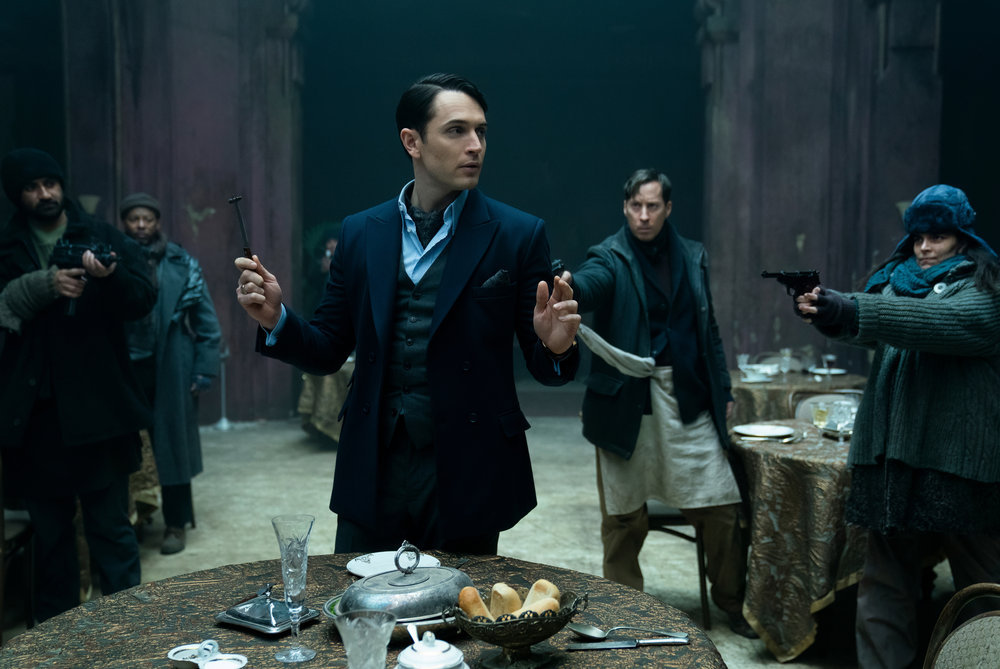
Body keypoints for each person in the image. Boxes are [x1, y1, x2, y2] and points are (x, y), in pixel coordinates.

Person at [234, 73, 581, 555]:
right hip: (374, 461)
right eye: (456, 130)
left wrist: (556, 347)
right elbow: (329, 349)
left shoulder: (517, 234)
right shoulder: (361, 232)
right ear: (412, 142)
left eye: (481, 131)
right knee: (359, 593)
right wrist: (276, 319)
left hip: (468, 464)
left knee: (459, 599)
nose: (475, 145)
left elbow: (546, 367)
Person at [795, 184, 1000, 668]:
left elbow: (932, 321)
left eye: (938, 237)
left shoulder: (985, 288)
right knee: (884, 583)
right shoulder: (896, 281)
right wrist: (830, 314)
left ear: (963, 238)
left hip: (958, 463)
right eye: (917, 237)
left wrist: (853, 307)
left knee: (981, 590)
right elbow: (881, 325)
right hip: (894, 457)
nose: (924, 247)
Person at [563, 168, 756, 637]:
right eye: (636, 206)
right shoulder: (610, 254)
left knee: (722, 507)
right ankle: (624, 609)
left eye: (653, 206)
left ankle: (730, 601)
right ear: (625, 207)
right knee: (623, 517)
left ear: (668, 208)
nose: (644, 215)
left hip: (686, 395)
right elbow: (593, 281)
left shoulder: (692, 255)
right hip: (625, 400)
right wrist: (571, 289)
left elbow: (708, 330)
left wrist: (723, 389)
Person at [0, 148, 155, 621]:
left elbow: (143, 298)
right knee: (51, 542)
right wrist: (43, 286)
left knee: (111, 532)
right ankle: (58, 639)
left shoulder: (100, 234)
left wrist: (109, 277)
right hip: (36, 420)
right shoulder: (8, 247)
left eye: (50, 183)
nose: (44, 193)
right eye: (32, 187)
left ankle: (129, 631)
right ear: (17, 196)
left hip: (99, 416)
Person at [120, 192, 221, 555]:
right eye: (134, 219)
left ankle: (175, 523)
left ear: (158, 222)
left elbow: (207, 324)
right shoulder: (112, 261)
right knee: (126, 447)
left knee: (171, 445)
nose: (141, 225)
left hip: (171, 367)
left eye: (147, 219)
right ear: (124, 223)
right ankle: (134, 518)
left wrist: (203, 368)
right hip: (125, 367)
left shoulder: (181, 263)